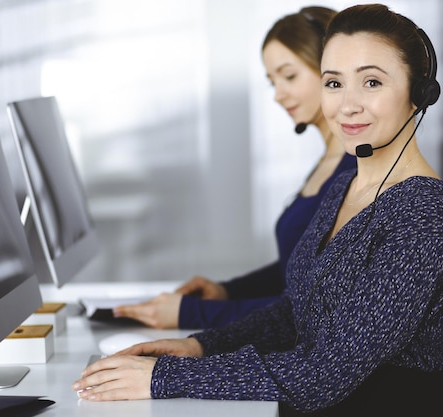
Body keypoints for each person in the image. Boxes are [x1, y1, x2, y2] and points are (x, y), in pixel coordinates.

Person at [72, 4, 443, 416]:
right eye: (333, 83)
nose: (347, 105)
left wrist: (163, 378)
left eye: (371, 82)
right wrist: (200, 345)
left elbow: (323, 374)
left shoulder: (425, 213)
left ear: (419, 92)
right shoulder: (350, 186)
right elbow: (298, 309)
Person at [113, 6, 357, 330]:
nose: (277, 95)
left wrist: (189, 314)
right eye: (272, 82)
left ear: (330, 69)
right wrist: (227, 291)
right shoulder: (327, 163)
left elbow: (312, 305)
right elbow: (296, 268)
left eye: (289, 76)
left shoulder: (356, 172)